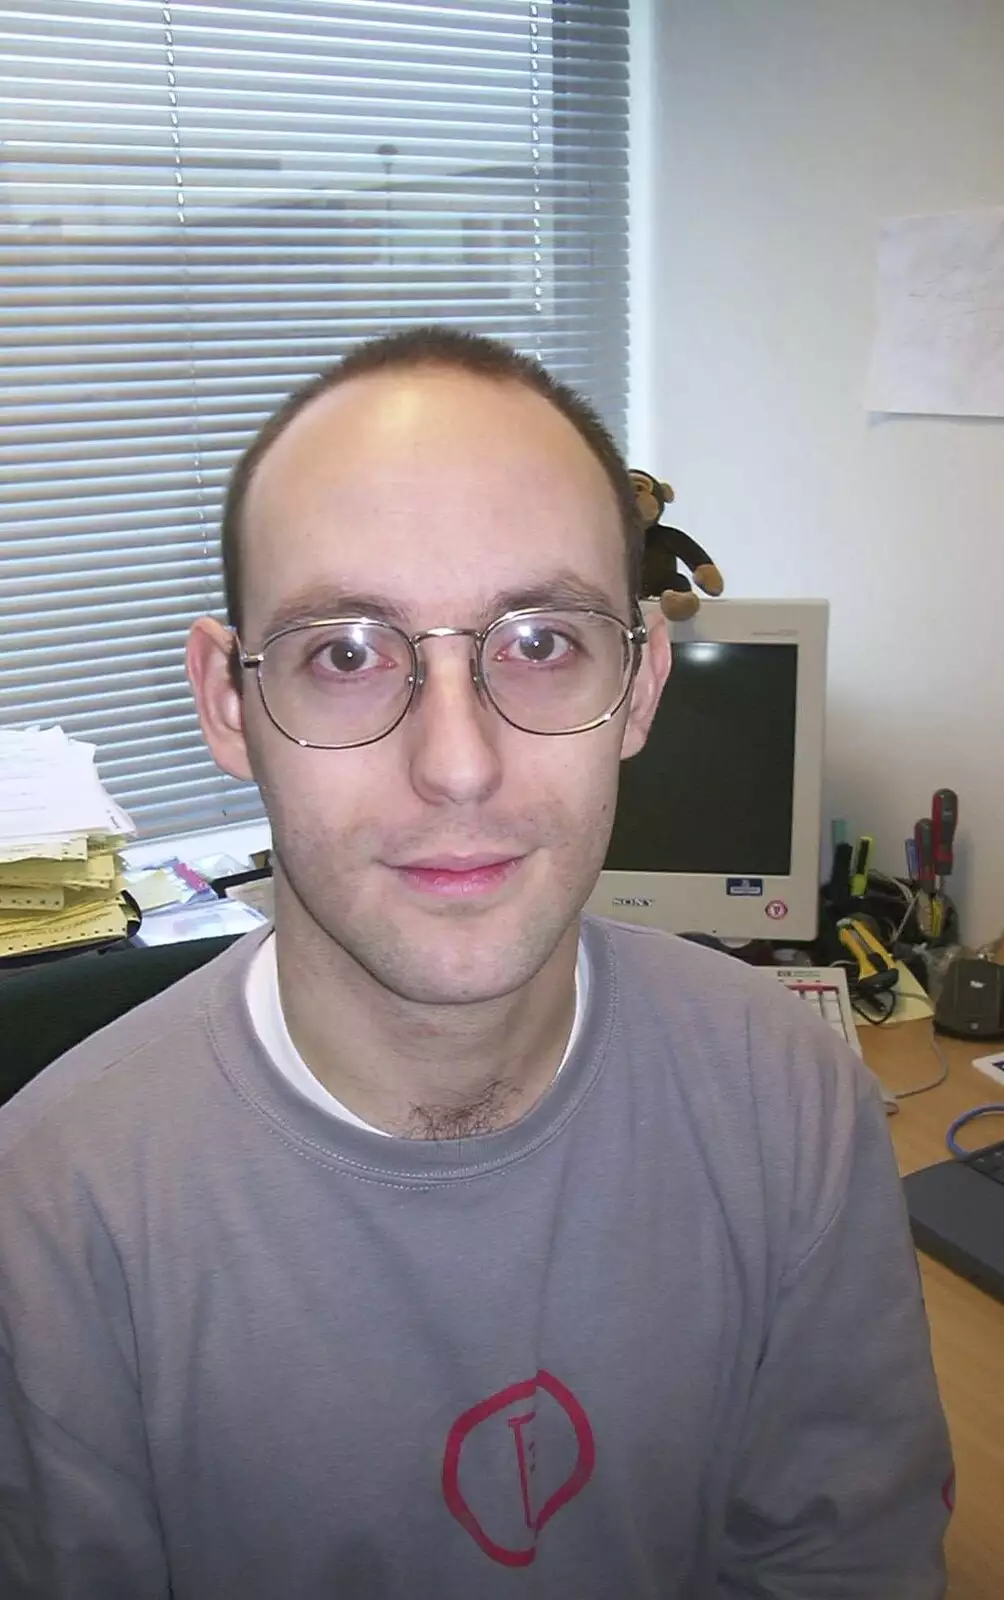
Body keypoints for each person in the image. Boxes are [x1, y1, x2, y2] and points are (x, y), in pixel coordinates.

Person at [0, 326, 952, 1598]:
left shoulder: (787, 1090)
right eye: (345, 652)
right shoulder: (52, 1213)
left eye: (540, 640)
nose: (456, 766)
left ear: (642, 683)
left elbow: (841, 1564)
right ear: (230, 704)